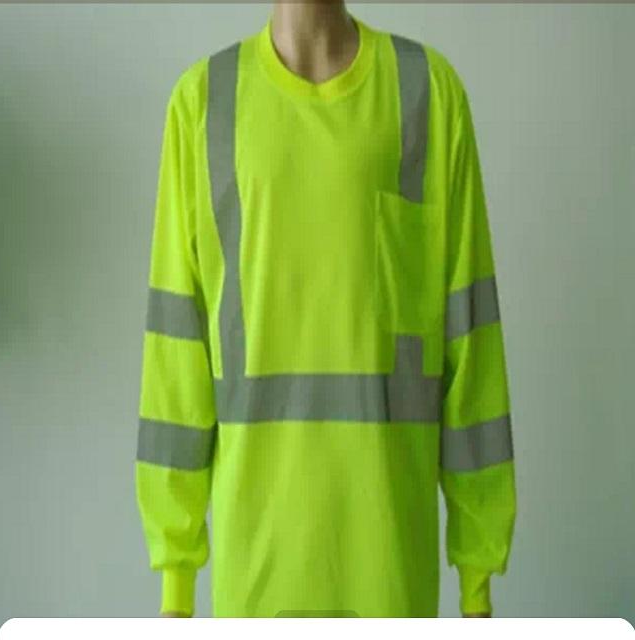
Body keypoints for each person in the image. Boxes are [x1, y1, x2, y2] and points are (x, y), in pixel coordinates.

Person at [136, 0, 516, 619]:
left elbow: (472, 344)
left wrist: (479, 582)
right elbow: (175, 358)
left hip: (390, 579)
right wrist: (175, 586)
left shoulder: (427, 92)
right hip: (256, 583)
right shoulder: (203, 103)